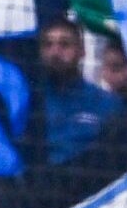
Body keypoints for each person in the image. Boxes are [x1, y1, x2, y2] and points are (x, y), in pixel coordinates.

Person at [32, 17, 120, 166]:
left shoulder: (107, 103)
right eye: (48, 45)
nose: (55, 52)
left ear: (82, 51)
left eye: (64, 44)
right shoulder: (30, 102)